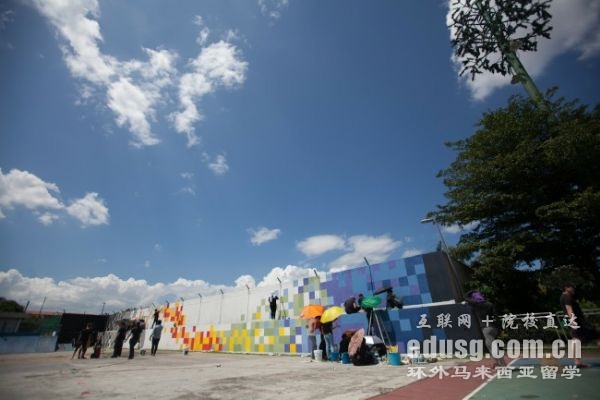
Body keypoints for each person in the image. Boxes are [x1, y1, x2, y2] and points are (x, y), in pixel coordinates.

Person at [560, 282, 599, 368]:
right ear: (566, 288)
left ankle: (578, 362)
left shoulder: (563, 297)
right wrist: (574, 322)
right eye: (572, 287)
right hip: (577, 322)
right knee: (597, 337)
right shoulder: (567, 297)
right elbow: (569, 309)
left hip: (575, 321)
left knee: (576, 340)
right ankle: (577, 362)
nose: (573, 288)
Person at [464, 290, 506, 367]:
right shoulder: (489, 304)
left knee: (492, 346)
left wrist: (472, 291)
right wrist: (500, 328)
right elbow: (496, 317)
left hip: (486, 328)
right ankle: (496, 362)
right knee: (489, 345)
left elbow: (465, 297)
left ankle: (503, 364)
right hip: (493, 327)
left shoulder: (476, 305)